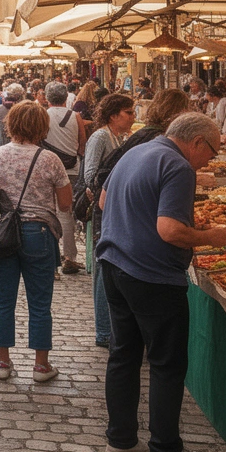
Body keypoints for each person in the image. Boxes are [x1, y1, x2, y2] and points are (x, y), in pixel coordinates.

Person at [97, 113, 226, 452]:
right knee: (166, 364)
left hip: (114, 266)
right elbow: (170, 230)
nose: (211, 160)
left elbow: (103, 202)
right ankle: (165, 450)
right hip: (151, 276)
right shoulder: (178, 166)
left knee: (124, 355)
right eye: (213, 152)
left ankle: (121, 440)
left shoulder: (137, 150)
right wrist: (211, 237)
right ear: (197, 143)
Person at [0, 102, 71, 383]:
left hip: (4, 235)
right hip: (39, 233)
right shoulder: (50, 159)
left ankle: (2, 361)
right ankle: (40, 365)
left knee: (2, 300)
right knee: (39, 302)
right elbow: (65, 203)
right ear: (41, 127)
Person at [83, 94, 135, 348]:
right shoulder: (101, 136)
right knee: (103, 269)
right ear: (114, 115)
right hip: (104, 210)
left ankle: (111, 328)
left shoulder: (120, 137)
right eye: (129, 113)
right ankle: (103, 331)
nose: (133, 117)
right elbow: (91, 174)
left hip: (114, 208)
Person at [43, 81, 86, 275]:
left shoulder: (43, 115)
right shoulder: (75, 116)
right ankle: (70, 257)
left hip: (47, 168)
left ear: (47, 97)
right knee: (66, 213)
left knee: (47, 212)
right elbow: (82, 145)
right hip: (71, 169)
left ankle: (51, 260)